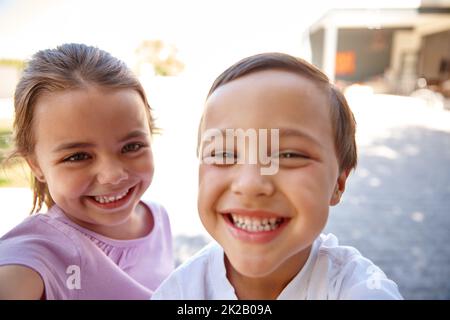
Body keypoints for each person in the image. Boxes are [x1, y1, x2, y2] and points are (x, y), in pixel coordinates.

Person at [152, 52, 402, 299]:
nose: (250, 184)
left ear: (338, 183)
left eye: (290, 155)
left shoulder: (359, 289)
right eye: (224, 154)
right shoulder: (180, 291)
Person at [0, 43, 174, 299]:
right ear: (35, 164)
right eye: (78, 156)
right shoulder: (36, 254)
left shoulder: (157, 217)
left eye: (132, 146)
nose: (113, 175)